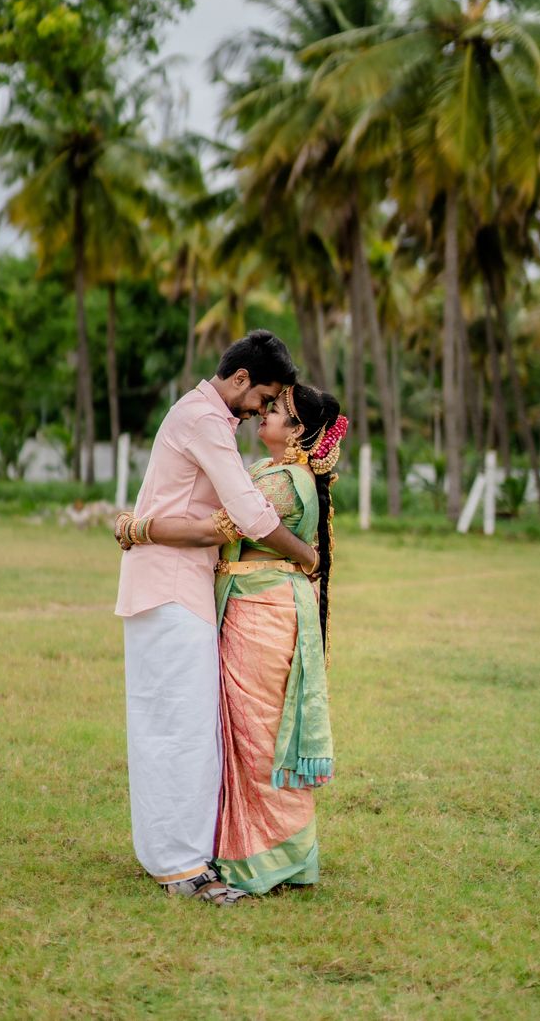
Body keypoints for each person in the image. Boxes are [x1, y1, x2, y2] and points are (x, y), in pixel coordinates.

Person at [114, 331, 319, 905]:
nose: (263, 411)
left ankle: (187, 858)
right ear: (239, 380)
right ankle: (178, 867)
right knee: (174, 730)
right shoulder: (203, 420)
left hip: (183, 588)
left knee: (191, 731)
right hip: (169, 589)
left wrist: (140, 526)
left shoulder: (206, 418)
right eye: (265, 397)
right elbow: (250, 511)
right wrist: (307, 555)